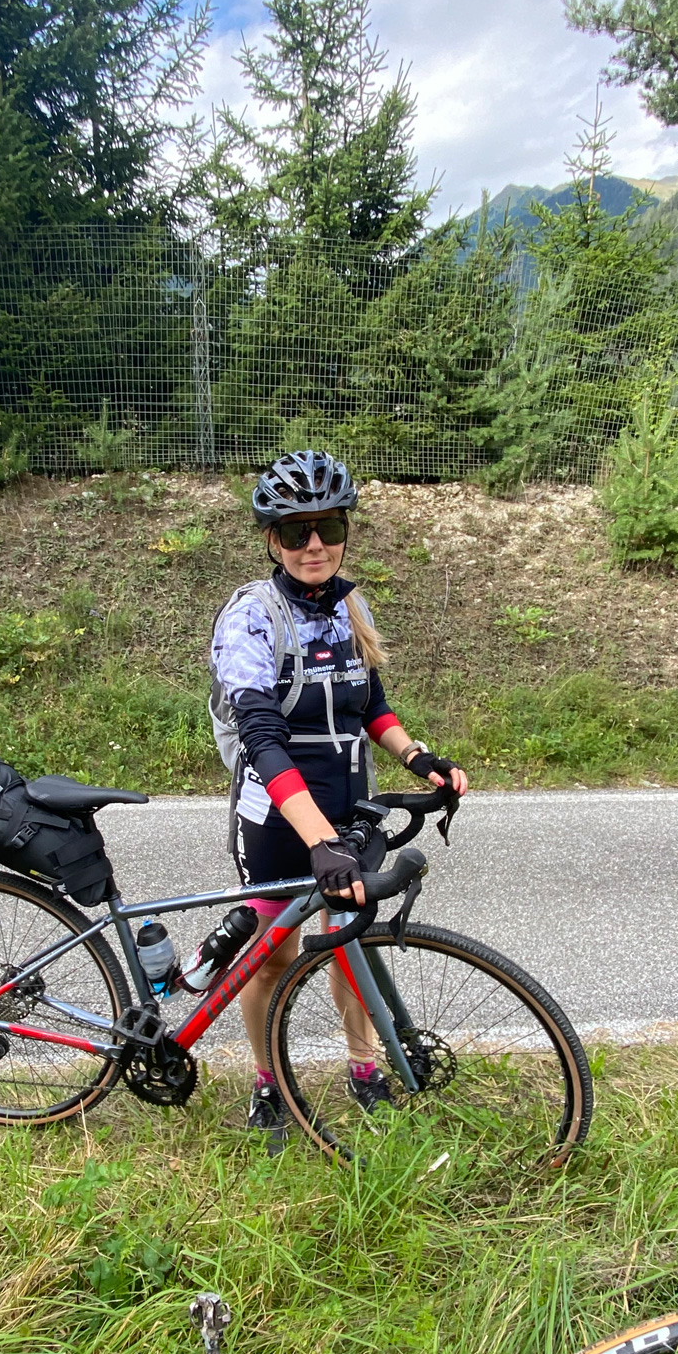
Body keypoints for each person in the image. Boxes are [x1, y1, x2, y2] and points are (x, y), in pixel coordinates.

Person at [210, 449, 468, 1148]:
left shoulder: (350, 604)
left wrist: (419, 758)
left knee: (351, 939)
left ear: (345, 531)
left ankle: (362, 1069)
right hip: (278, 810)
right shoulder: (250, 617)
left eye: (326, 527)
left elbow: (371, 705)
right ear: (273, 539)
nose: (313, 544)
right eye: (296, 532)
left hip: (349, 800)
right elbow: (261, 738)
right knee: (272, 955)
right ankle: (269, 1083)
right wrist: (316, 837)